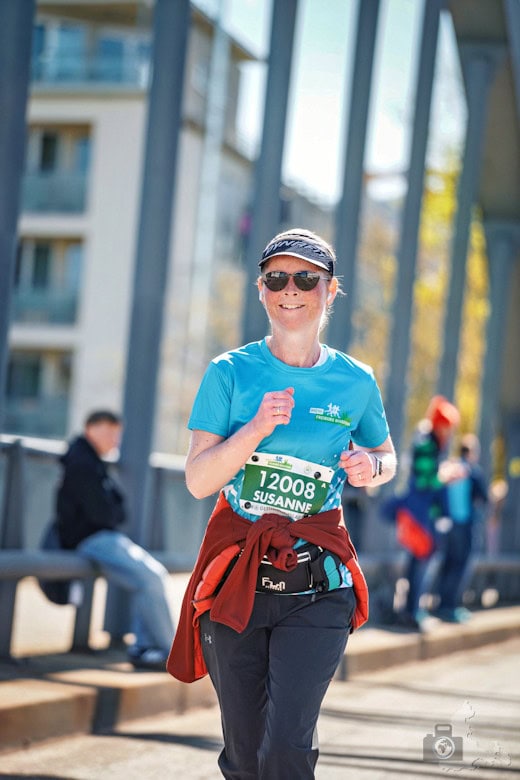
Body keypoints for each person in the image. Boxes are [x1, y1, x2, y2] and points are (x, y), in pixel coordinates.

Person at [167, 228, 396, 779]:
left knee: (288, 752)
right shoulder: (229, 372)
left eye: (305, 279)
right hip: (238, 584)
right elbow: (199, 480)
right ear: (261, 289)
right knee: (245, 756)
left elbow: (388, 456)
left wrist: (373, 468)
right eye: (276, 278)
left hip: (318, 587)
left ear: (331, 289)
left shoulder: (356, 380)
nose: (290, 290)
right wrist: (253, 430)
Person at [56, 409, 175, 671]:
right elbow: (105, 513)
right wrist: (111, 508)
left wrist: (111, 508)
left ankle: (148, 647)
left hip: (98, 536)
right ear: (91, 429)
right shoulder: (81, 462)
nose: (114, 440)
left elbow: (116, 510)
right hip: (90, 540)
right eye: (110, 432)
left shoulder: (90, 460)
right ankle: (169, 652)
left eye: (117, 434)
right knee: (151, 577)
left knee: (152, 576)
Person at [395, 395, 462, 629]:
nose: (449, 433)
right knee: (420, 563)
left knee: (420, 563)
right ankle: (412, 612)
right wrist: (445, 475)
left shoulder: (428, 441)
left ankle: (413, 610)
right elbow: (424, 480)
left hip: (423, 514)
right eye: (447, 428)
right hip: (419, 515)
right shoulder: (426, 443)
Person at [431, 433, 488, 622]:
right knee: (461, 566)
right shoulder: (472, 471)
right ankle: (450, 606)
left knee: (448, 563)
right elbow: (484, 497)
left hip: (448, 525)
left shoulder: (450, 468)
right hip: (465, 526)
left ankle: (439, 605)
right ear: (472, 452)